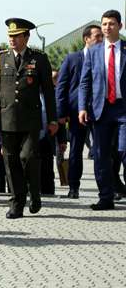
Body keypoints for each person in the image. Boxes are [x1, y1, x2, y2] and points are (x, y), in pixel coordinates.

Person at [0, 18, 58, 219]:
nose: (12, 40)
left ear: (26, 37)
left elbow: (48, 92)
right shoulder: (0, 58)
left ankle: (34, 193)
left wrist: (52, 119)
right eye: (10, 36)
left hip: (30, 119)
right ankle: (16, 203)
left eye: (17, 36)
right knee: (11, 162)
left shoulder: (39, 59)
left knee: (27, 158)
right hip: (7, 118)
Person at [78, 9, 126, 211]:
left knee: (124, 150)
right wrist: (82, 107)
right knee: (100, 155)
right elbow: (85, 82)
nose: (107, 27)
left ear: (120, 27)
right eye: (104, 24)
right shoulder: (95, 51)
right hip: (101, 109)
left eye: (111, 24)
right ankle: (105, 197)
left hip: (123, 108)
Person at [55, 24, 102, 198]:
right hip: (76, 113)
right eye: (97, 36)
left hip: (100, 111)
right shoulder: (72, 58)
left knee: (102, 150)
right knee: (75, 150)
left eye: (101, 37)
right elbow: (62, 87)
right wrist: (61, 113)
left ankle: (107, 188)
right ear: (86, 39)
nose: (100, 39)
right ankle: (73, 187)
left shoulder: (103, 57)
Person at [39, 71, 67, 196]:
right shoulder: (30, 93)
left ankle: (48, 193)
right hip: (30, 137)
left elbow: (59, 119)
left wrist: (62, 140)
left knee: (47, 169)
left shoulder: (55, 95)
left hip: (48, 137)